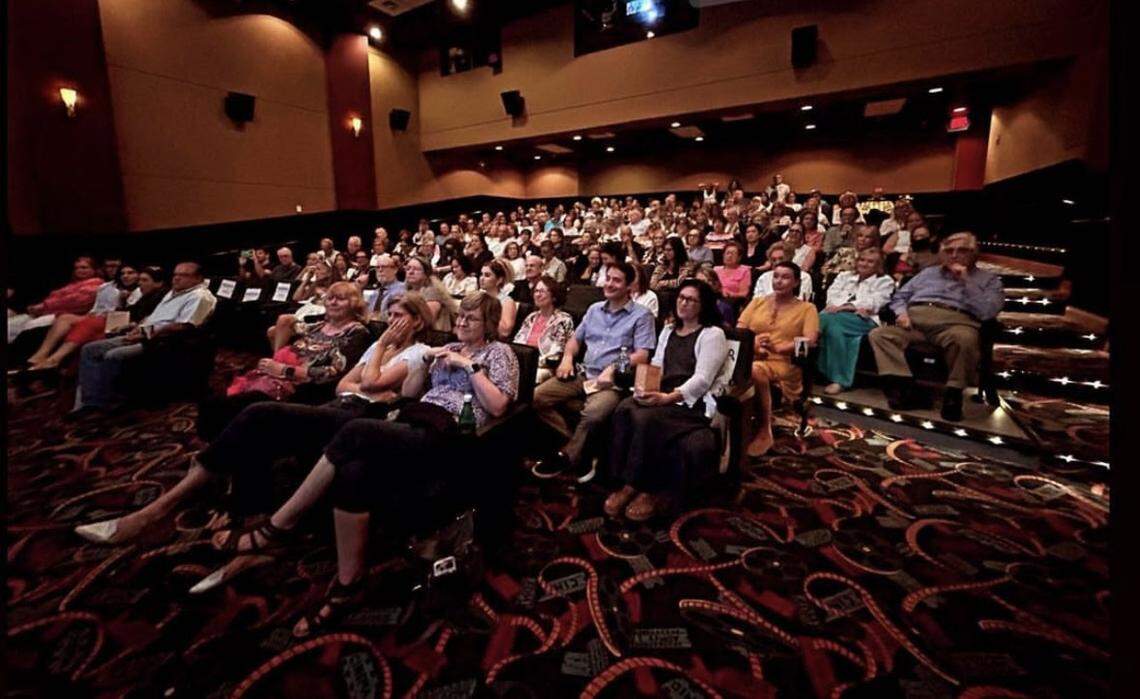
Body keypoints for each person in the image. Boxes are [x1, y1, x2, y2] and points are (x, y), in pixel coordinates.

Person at [75, 294, 437, 552]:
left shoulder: (416, 351)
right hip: (338, 403)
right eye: (388, 316)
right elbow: (346, 383)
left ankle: (158, 510)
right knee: (248, 419)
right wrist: (375, 369)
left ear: (418, 321)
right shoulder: (378, 348)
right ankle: (230, 499)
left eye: (400, 316)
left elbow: (371, 386)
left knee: (259, 412)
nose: (391, 324)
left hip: (360, 418)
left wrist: (378, 364)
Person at [284, 292, 517, 637]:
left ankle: (282, 522)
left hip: (454, 435)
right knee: (353, 473)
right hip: (418, 420)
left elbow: (498, 406)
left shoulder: (500, 353)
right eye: (461, 316)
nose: (462, 322)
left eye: (472, 319)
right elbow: (409, 393)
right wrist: (425, 360)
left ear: (489, 325)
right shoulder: (445, 347)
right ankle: (350, 583)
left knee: (355, 431)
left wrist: (469, 366)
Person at [604, 279, 730, 521]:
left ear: (703, 305)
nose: (684, 303)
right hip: (663, 395)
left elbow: (703, 379)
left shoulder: (713, 334)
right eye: (681, 297)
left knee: (646, 419)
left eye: (691, 300)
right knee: (624, 408)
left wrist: (667, 398)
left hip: (691, 403)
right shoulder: (669, 330)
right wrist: (645, 389)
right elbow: (658, 367)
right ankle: (622, 480)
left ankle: (644, 488)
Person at [531, 261, 657, 482]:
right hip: (583, 373)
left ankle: (567, 456)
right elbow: (574, 340)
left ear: (629, 286)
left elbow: (643, 354)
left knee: (593, 414)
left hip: (611, 382)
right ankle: (583, 446)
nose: (609, 284)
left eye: (616, 280)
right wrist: (568, 359)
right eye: (608, 278)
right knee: (535, 398)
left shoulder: (642, 315)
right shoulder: (593, 309)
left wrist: (613, 367)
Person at [197, 281, 372, 440]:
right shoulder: (319, 325)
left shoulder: (356, 332)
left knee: (228, 408)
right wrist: (277, 358)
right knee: (213, 404)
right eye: (330, 298)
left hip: (302, 388)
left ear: (353, 303)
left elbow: (332, 373)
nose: (333, 302)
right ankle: (219, 453)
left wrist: (284, 370)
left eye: (340, 299)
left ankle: (217, 458)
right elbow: (286, 322)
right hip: (278, 377)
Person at [868, 232, 1004, 421]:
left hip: (955, 323)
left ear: (974, 253)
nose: (954, 255)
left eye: (961, 250)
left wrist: (966, 280)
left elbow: (988, 311)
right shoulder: (928, 273)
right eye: (949, 250)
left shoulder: (988, 280)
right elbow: (900, 297)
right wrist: (901, 313)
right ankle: (907, 389)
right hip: (914, 322)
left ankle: (953, 395)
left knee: (965, 339)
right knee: (879, 334)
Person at [69, 262, 217, 416]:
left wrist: (145, 333)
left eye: (184, 275)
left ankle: (112, 401)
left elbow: (183, 326)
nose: (177, 279)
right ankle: (92, 402)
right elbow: (154, 318)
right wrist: (136, 326)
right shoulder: (174, 292)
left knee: (112, 355)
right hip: (144, 333)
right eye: (175, 274)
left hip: (162, 341)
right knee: (89, 349)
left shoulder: (201, 296)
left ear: (198, 278)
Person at [737, 261, 819, 456]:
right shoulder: (758, 302)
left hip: (784, 363)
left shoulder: (807, 308)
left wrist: (781, 347)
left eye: (785, 277)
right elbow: (739, 330)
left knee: (755, 370)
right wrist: (754, 342)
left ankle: (765, 429)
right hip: (752, 356)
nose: (779, 281)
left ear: (796, 282)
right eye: (776, 276)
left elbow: (810, 341)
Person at [26, 266, 167, 371]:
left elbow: (147, 318)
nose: (139, 282)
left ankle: (55, 359)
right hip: (116, 318)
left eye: (144, 280)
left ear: (158, 283)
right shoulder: (136, 293)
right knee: (65, 318)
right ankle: (41, 355)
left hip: (126, 324)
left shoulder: (160, 296)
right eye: (140, 279)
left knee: (90, 325)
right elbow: (129, 310)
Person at [817, 249, 896, 395]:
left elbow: (875, 302)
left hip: (864, 320)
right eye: (862, 260)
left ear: (879, 265)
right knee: (835, 328)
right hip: (835, 316)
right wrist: (840, 307)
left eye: (870, 261)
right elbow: (832, 294)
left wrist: (847, 307)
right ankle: (838, 380)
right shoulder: (844, 276)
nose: (864, 264)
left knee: (821, 320)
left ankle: (820, 370)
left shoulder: (885, 281)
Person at [8, 256, 104, 343]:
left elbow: (74, 302)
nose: (79, 270)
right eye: (76, 268)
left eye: (84, 267)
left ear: (94, 269)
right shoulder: (72, 284)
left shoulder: (96, 284)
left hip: (65, 316)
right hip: (45, 312)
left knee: (30, 327)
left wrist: (43, 306)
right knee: (11, 325)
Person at [514, 276, 576, 383]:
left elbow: (557, 353)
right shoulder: (531, 317)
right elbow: (517, 342)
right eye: (536, 291)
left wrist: (530, 362)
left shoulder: (563, 320)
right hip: (523, 364)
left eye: (542, 291)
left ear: (554, 296)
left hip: (545, 367)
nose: (537, 295)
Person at [404, 256, 458, 332]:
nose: (410, 272)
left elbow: (427, 320)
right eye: (408, 269)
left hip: (433, 334)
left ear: (426, 274)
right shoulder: (408, 290)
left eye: (416, 269)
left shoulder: (432, 291)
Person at [480, 259, 518, 339]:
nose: (481, 278)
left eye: (487, 275)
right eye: (481, 274)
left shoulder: (507, 302)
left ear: (499, 280)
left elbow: (505, 332)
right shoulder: (478, 297)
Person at [373, 254, 407, 322]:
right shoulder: (375, 292)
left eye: (384, 267)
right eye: (377, 267)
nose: (380, 270)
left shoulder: (402, 290)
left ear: (395, 270)